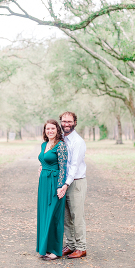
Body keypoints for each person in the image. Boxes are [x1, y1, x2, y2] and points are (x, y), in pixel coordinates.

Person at [36, 119, 68, 261]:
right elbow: (44, 160)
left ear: (57, 130)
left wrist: (61, 186)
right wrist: (42, 167)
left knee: (54, 216)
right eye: (47, 129)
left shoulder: (60, 146)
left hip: (55, 183)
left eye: (53, 129)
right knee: (44, 215)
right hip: (43, 184)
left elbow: (63, 167)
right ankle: (46, 248)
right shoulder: (44, 144)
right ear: (45, 131)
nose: (50, 131)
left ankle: (55, 250)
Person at [59, 111, 88, 259]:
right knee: (66, 217)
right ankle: (70, 245)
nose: (66, 124)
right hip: (63, 183)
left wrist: (66, 184)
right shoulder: (62, 139)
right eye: (64, 121)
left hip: (75, 183)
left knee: (77, 217)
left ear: (75, 122)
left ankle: (81, 247)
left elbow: (74, 166)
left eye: (69, 121)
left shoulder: (78, 142)